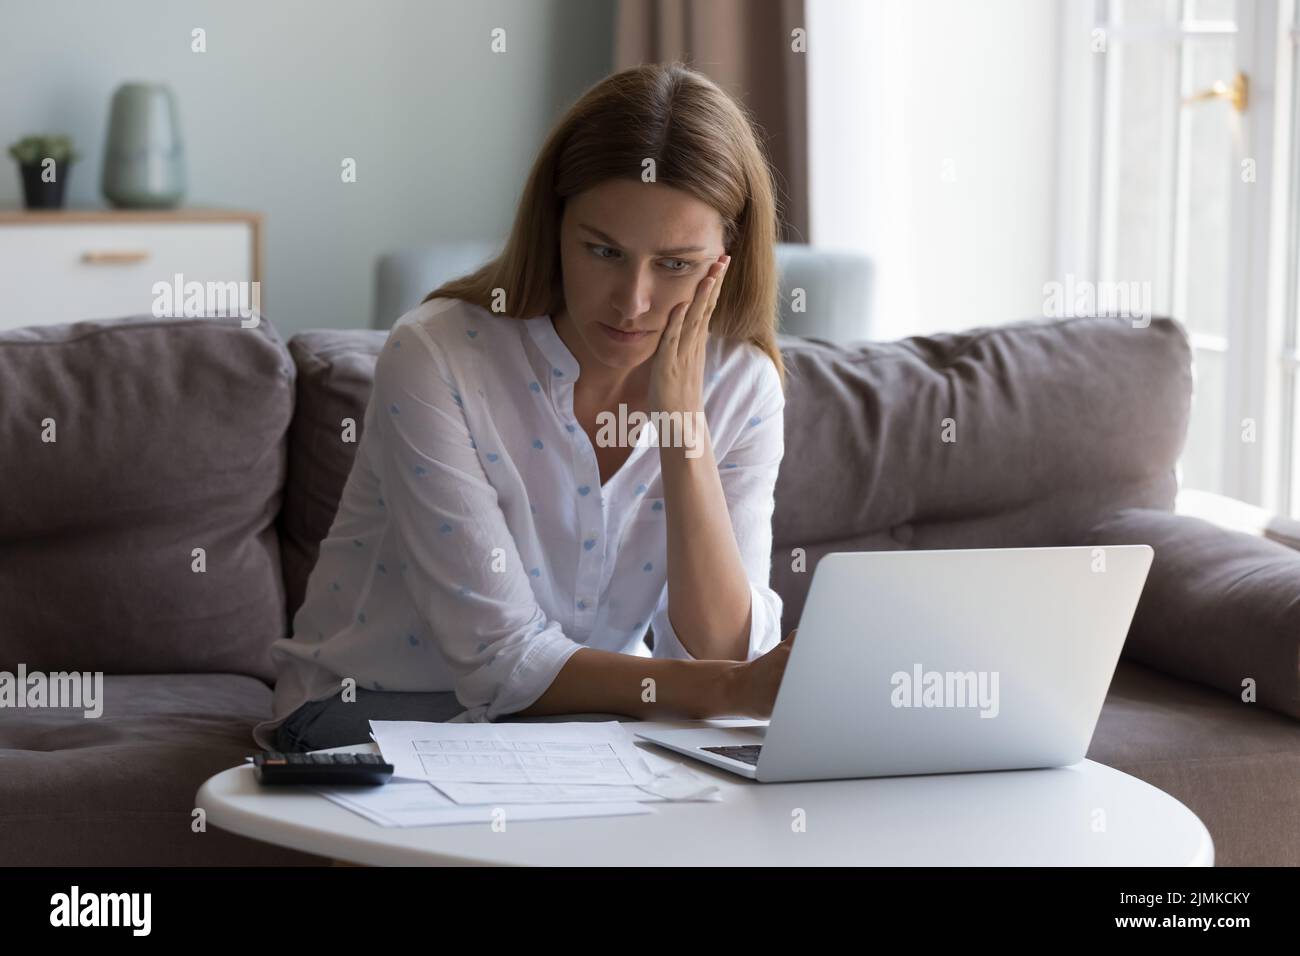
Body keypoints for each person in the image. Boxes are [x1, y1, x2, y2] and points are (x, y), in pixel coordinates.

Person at [255, 61, 797, 753]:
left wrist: (683, 429)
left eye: (675, 265)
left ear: (729, 254)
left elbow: (727, 656)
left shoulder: (743, 389)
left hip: (586, 729)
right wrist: (722, 689)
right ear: (555, 225)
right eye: (603, 250)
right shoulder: (438, 354)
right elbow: (498, 658)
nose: (632, 302)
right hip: (376, 716)